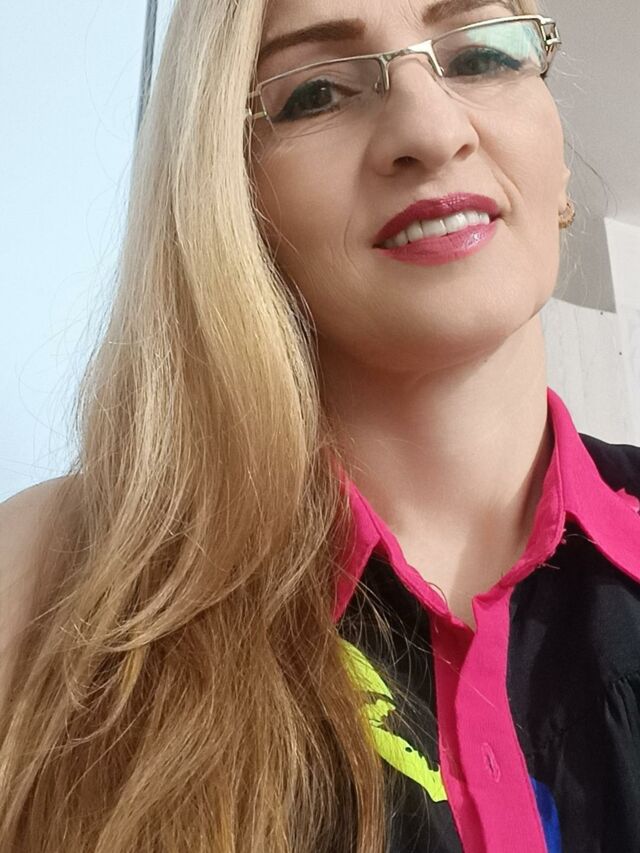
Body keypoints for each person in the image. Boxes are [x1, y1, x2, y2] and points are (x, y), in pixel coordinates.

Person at [1, 0, 639, 851]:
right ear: (230, 198)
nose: (431, 129)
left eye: (482, 54)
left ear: (558, 171)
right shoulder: (49, 580)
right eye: (317, 93)